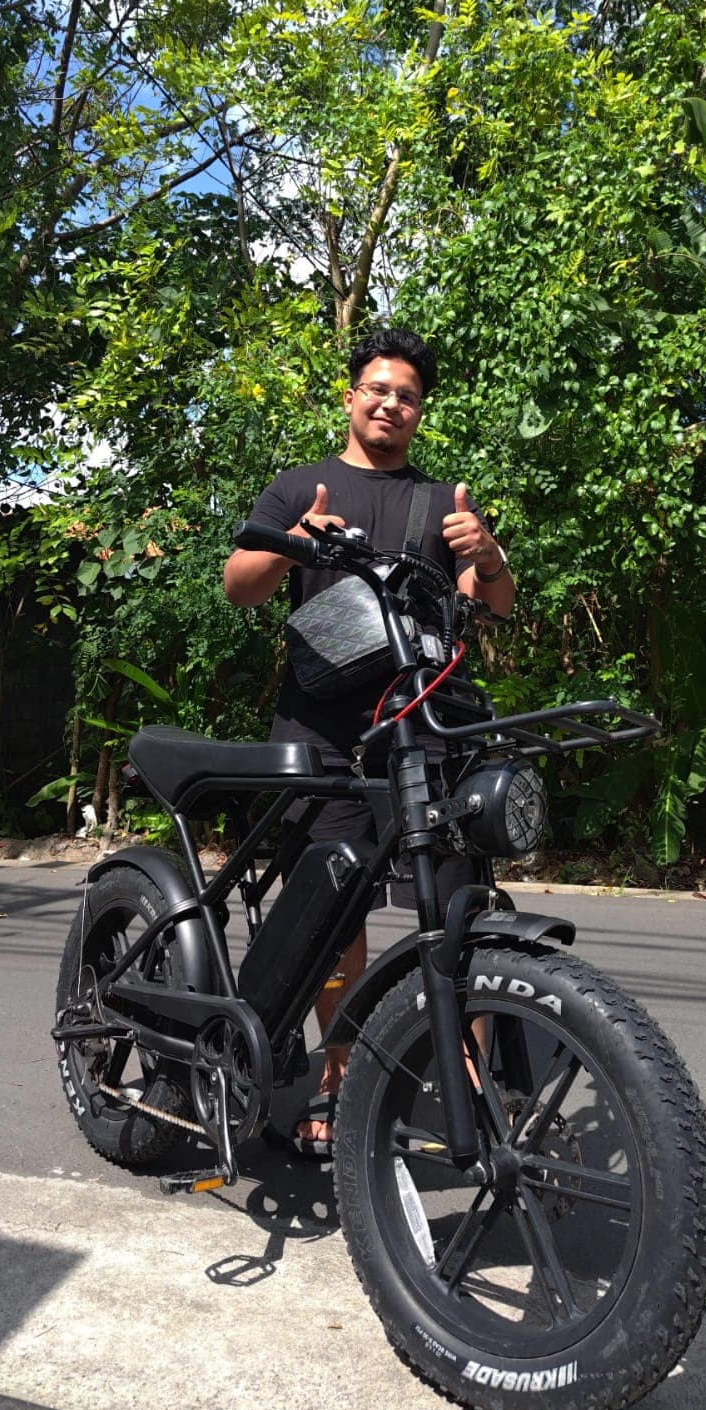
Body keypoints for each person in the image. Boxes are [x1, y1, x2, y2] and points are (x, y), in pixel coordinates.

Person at [223, 327, 515, 1151]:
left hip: (428, 718)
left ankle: (466, 1070)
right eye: (377, 389)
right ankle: (340, 1071)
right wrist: (290, 547)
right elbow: (239, 587)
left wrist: (487, 556)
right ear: (350, 397)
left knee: (458, 894)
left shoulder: (439, 500)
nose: (390, 403)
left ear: (420, 411)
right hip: (324, 728)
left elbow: (491, 603)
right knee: (334, 904)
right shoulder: (299, 485)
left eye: (407, 395)